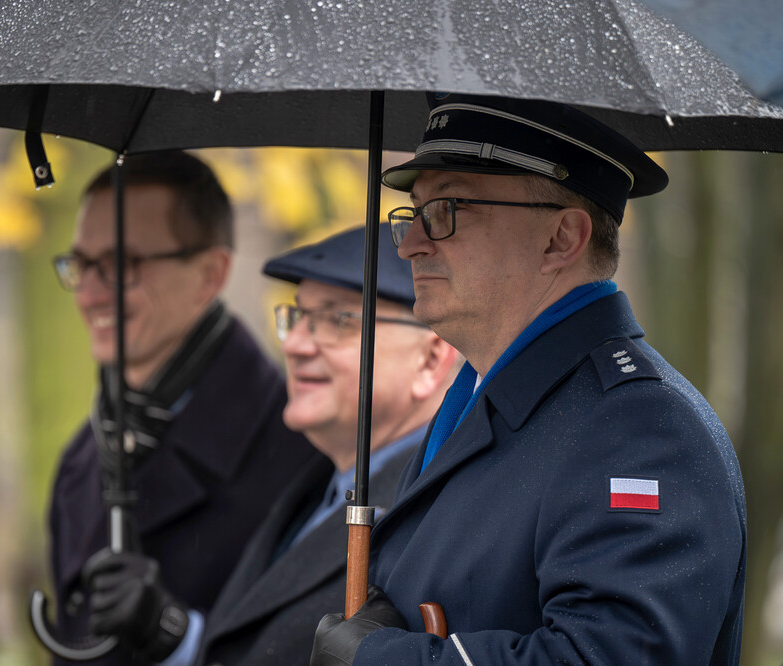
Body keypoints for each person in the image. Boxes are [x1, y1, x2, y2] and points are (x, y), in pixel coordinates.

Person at [309, 93, 747, 665]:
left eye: (446, 211)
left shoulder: (642, 429)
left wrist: (381, 659)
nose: (412, 243)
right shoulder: (485, 394)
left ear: (561, 239)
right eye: (412, 213)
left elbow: (606, 657)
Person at [46, 151, 322, 665]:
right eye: (81, 264)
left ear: (210, 274)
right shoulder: (81, 463)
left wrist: (173, 633)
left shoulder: (304, 451)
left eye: (119, 266)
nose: (89, 293)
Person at [189, 224, 460, 665]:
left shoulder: (435, 514)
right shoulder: (315, 484)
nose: (294, 344)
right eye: (297, 316)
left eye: (337, 320)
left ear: (430, 359)